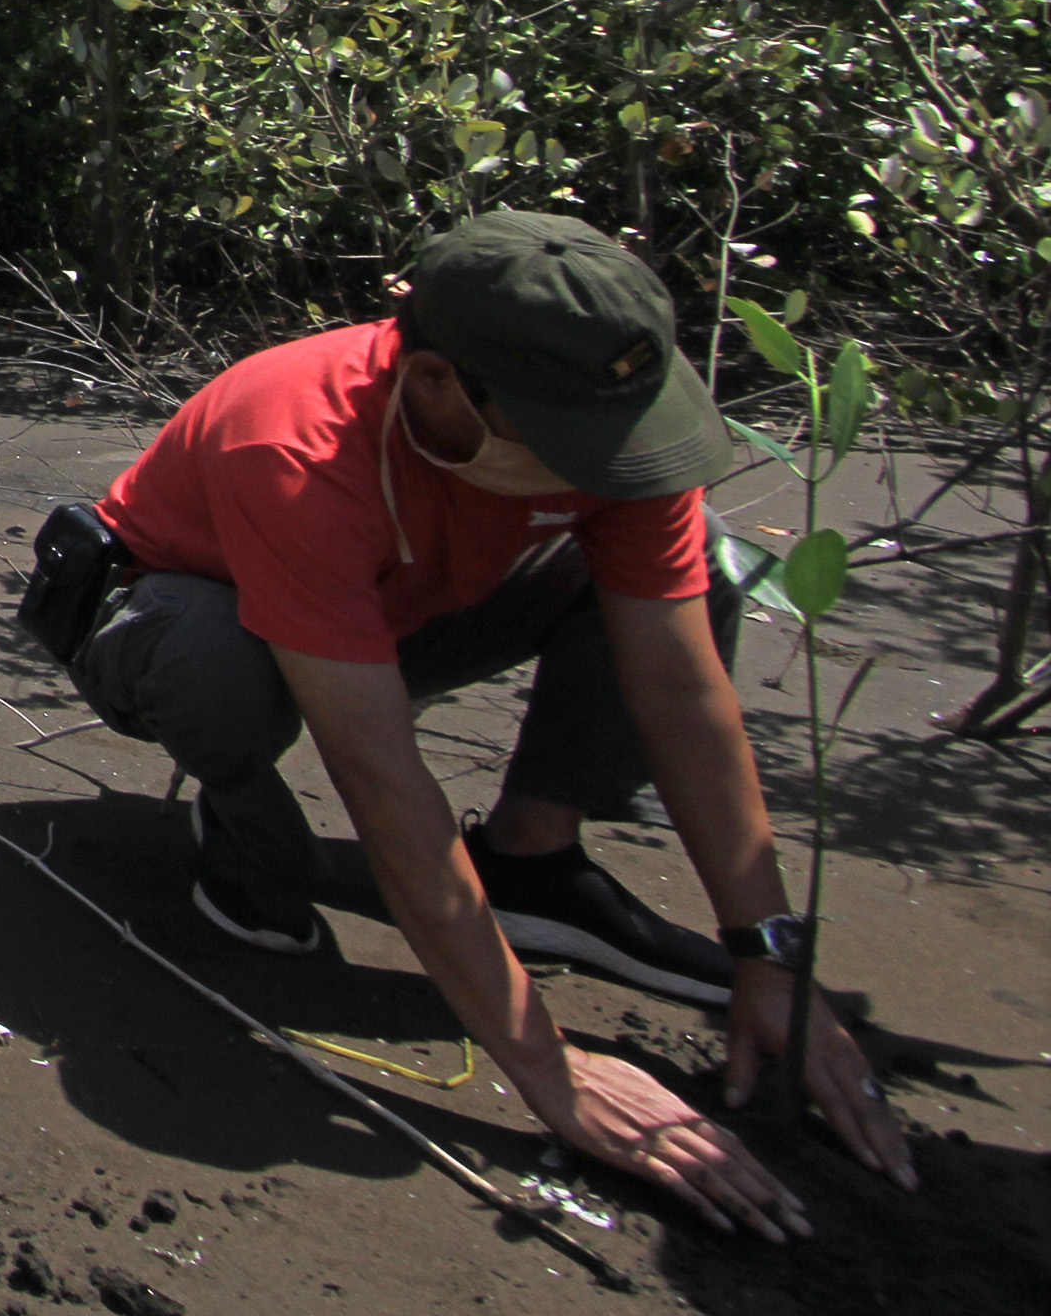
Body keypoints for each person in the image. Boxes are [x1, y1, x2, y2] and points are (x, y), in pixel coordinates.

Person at [44, 210, 916, 1240]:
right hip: (188, 622)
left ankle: (530, 861)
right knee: (213, 658)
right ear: (434, 386)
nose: (607, 465)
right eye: (572, 443)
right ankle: (239, 828)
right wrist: (549, 1069)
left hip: (393, 613)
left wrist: (770, 957)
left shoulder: (610, 431)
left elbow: (680, 693)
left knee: (707, 559)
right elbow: (378, 773)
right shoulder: (293, 442)